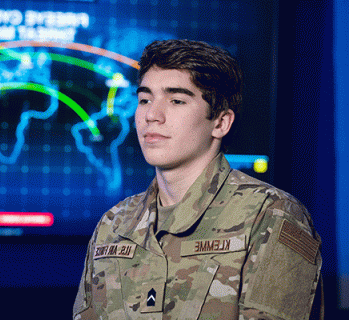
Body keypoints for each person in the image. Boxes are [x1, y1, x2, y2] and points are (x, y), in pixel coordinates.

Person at [73, 39, 323, 320]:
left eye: (176, 100)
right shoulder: (113, 224)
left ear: (220, 122)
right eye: (144, 100)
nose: (152, 115)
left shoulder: (270, 215)